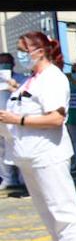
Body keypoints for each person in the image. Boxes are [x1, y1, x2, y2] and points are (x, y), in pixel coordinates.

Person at [0, 32, 76, 241]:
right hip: (28, 154)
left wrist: (17, 119)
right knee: (45, 207)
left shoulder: (52, 78)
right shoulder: (32, 80)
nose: (18, 54)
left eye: (21, 49)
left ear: (39, 51)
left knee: (62, 205)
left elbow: (56, 118)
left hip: (48, 153)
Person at [0, 53, 26, 190]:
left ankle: (23, 178)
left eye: (7, 62)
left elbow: (27, 96)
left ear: (13, 64)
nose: (4, 65)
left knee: (19, 148)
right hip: (0, 120)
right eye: (1, 62)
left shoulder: (22, 79)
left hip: (16, 119)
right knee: (2, 151)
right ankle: (8, 179)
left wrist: (15, 87)